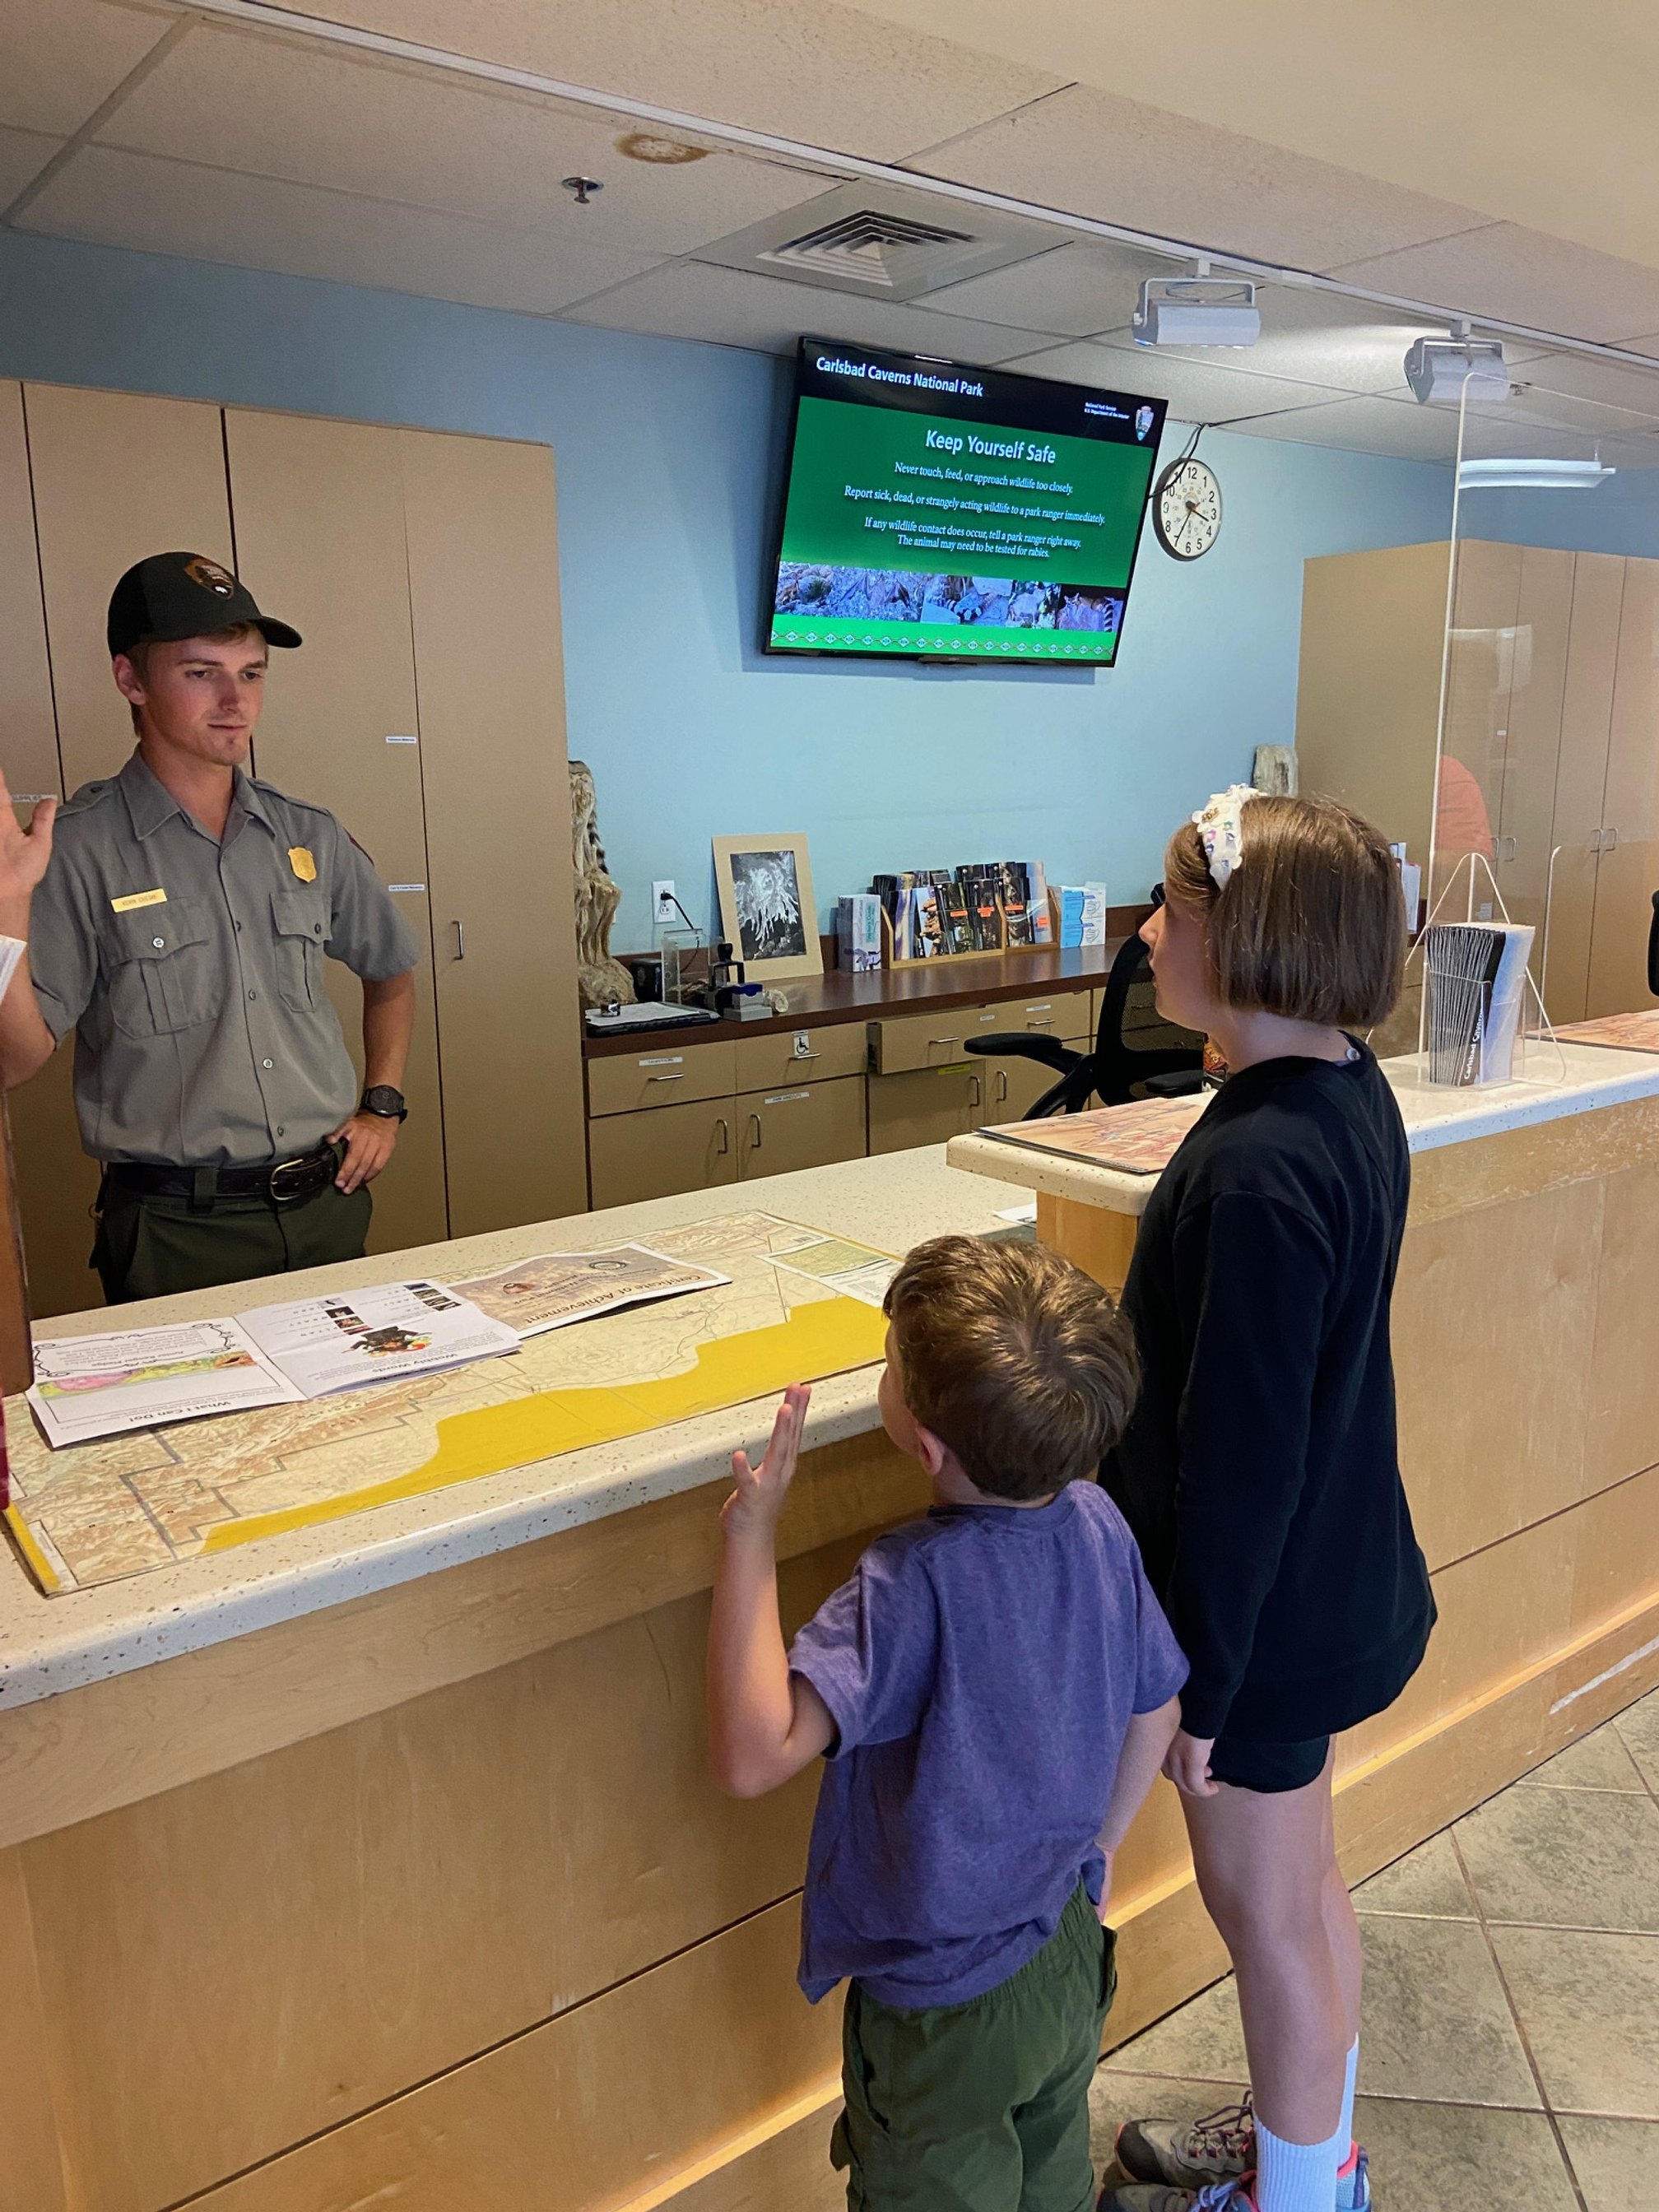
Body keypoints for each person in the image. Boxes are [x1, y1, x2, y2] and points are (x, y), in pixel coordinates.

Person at [1099, 790, 1436, 2212]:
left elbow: (1240, 1463)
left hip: (1264, 1622)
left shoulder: (1257, 1169)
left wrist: (1204, 1689)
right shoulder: (1340, 1089)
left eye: (1172, 908)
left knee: (1267, 1917)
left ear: (1248, 935)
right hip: (1324, 1585)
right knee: (1303, 1898)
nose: (1150, 929)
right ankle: (1309, 2142)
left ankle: (1300, 2195)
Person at [706, 1235, 1187, 2212]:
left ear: (924, 1445)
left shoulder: (910, 1583)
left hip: (941, 2010)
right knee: (1049, 2175)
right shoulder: (1098, 1522)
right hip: (1065, 1950)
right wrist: (1093, 1854)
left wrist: (751, 1539)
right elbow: (1159, 1706)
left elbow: (754, 1755)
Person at [0, 551, 420, 1304]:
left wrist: (382, 1106)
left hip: (326, 1210)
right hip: (176, 1234)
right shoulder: (78, 851)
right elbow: (15, 1059)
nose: (235, 700)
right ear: (131, 680)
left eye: (251, 673)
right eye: (201, 673)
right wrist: (5, 912)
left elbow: (390, 967)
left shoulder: (309, 836)